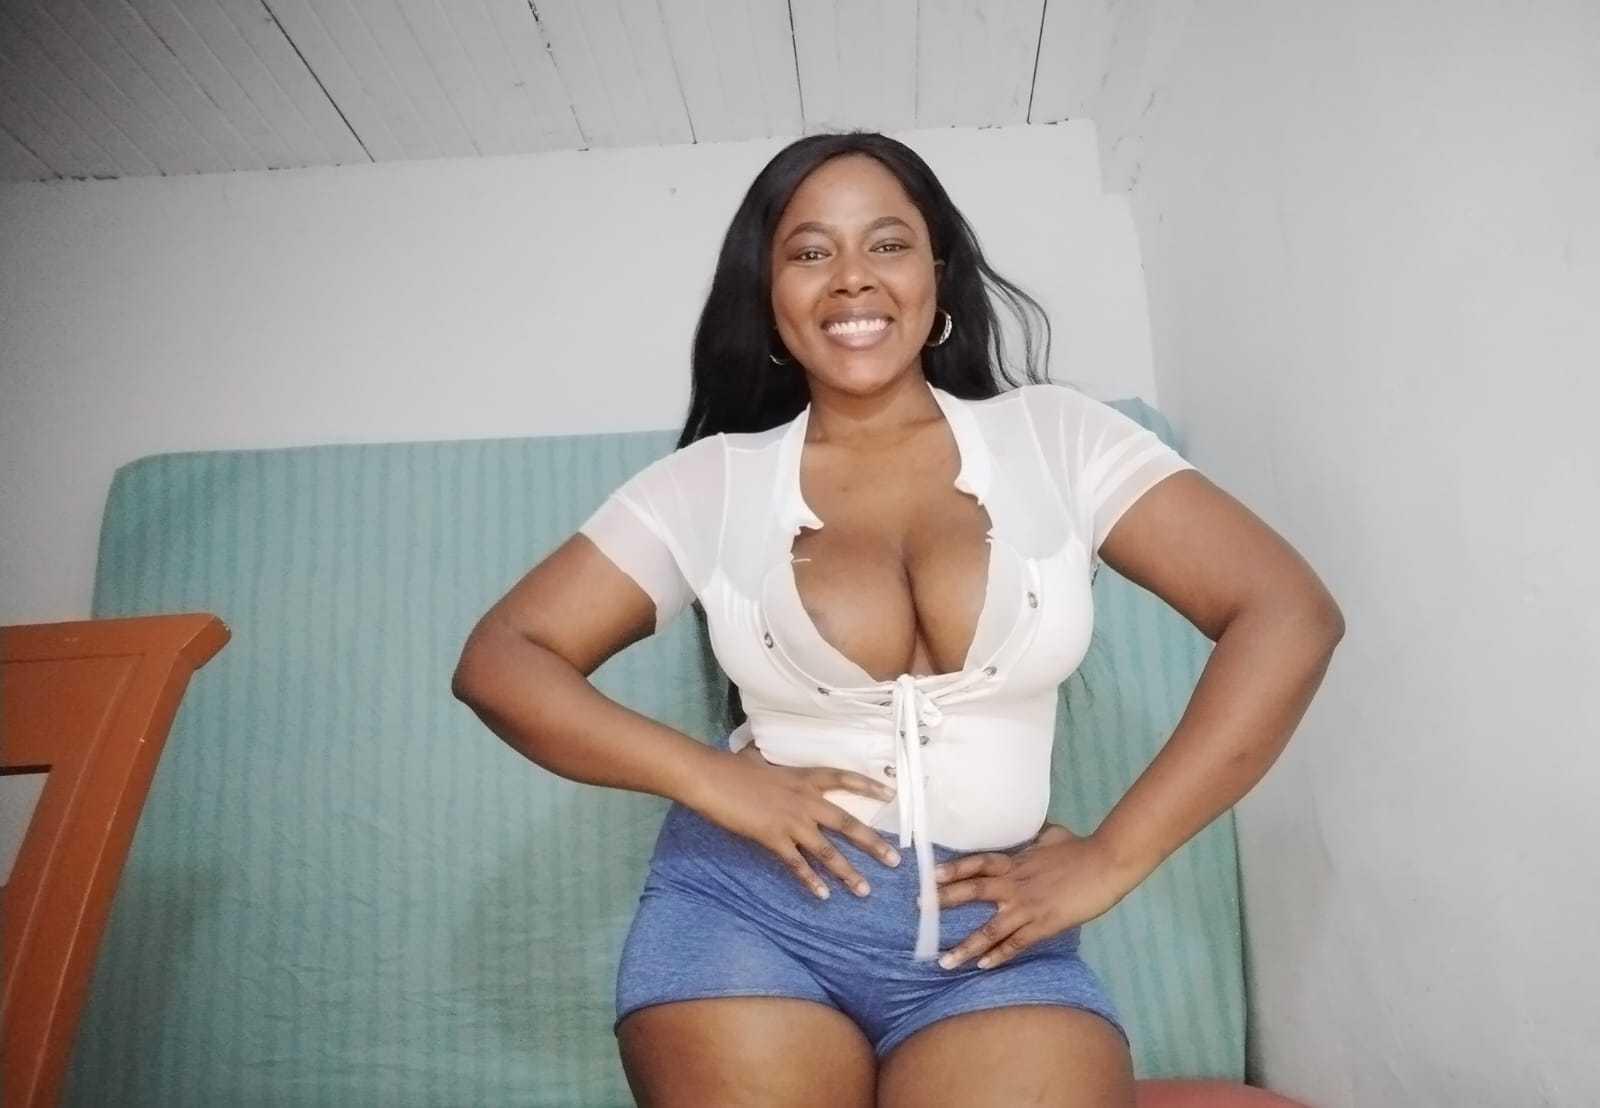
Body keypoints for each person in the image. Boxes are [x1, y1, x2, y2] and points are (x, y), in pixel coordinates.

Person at [452, 132, 1344, 1107]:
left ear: (937, 274)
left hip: (991, 936)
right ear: (769, 296)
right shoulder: (712, 484)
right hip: (749, 916)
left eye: (887, 244)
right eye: (809, 251)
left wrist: (1113, 856)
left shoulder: (1057, 438)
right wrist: (712, 779)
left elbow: (1286, 612)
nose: (851, 277)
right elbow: (503, 658)